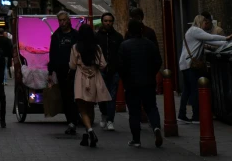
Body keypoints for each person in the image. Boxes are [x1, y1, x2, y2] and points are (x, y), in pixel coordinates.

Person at [118, 19, 163, 148]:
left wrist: (125, 78)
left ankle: (136, 140)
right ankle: (155, 128)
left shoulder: (124, 46)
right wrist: (151, 73)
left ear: (129, 30)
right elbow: (158, 61)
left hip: (131, 83)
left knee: (134, 111)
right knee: (151, 107)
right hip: (148, 82)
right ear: (141, 30)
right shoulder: (150, 45)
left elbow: (121, 66)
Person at [178, 14, 231, 124]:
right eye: (204, 22)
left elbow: (211, 42)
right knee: (194, 90)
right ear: (200, 22)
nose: (205, 24)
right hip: (189, 64)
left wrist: (228, 43)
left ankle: (182, 115)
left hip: (186, 64)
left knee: (187, 90)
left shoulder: (194, 32)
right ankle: (196, 116)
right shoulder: (195, 30)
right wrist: (225, 38)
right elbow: (211, 37)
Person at [69, 24, 110, 148]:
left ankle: (90, 132)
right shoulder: (97, 48)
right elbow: (103, 64)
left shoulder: (76, 47)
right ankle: (87, 134)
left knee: (82, 108)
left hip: (81, 78)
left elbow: (72, 65)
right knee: (91, 107)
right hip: (94, 78)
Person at [48, 12, 79, 135]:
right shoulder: (56, 36)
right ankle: (71, 122)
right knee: (66, 97)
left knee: (75, 96)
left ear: (68, 20)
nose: (62, 22)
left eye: (64, 20)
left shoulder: (75, 35)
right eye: (60, 20)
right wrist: (50, 72)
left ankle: (75, 119)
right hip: (61, 71)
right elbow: (52, 54)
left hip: (75, 70)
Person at [95, 13, 123, 131]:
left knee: (112, 96)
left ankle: (110, 120)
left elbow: (121, 54)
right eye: (106, 21)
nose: (108, 23)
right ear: (102, 21)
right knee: (101, 96)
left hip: (114, 70)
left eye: (110, 21)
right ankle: (104, 114)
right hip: (100, 70)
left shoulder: (118, 37)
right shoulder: (96, 37)